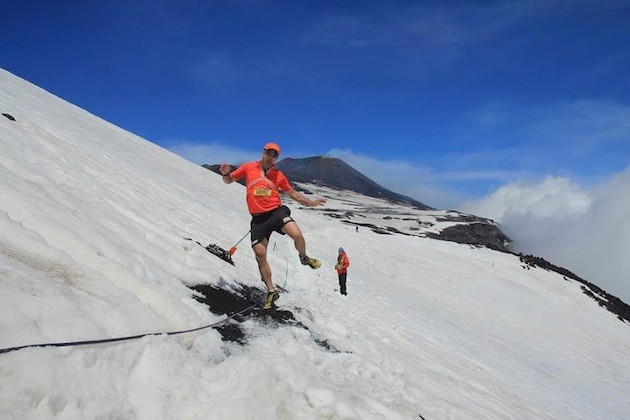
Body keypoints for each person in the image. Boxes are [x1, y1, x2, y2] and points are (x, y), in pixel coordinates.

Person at [220, 142, 326, 309]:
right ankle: (271, 291)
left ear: (277, 158)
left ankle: (304, 258)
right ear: (263, 153)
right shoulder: (248, 167)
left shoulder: (279, 175)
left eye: (274, 155)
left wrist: (311, 203)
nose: (270, 157)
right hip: (258, 219)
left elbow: (292, 193)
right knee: (260, 254)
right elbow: (229, 180)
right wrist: (225, 174)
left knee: (297, 235)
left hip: (276, 213)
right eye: (268, 153)